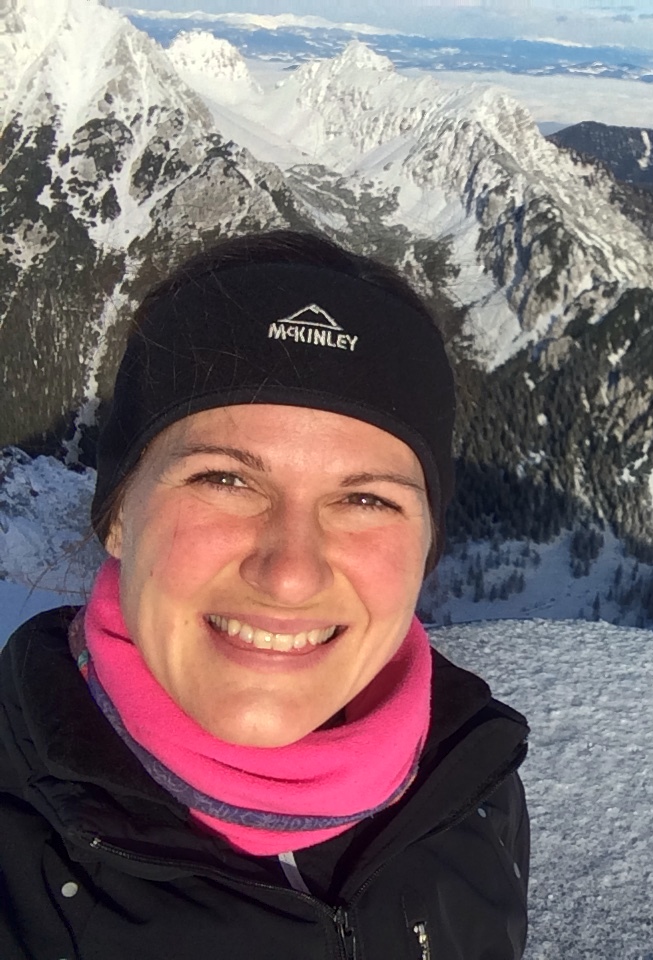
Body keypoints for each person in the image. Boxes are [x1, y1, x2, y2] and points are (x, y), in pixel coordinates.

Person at [0, 232, 530, 959]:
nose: (290, 573)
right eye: (225, 480)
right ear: (119, 514)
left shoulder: (467, 783)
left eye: (366, 499)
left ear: (427, 546)